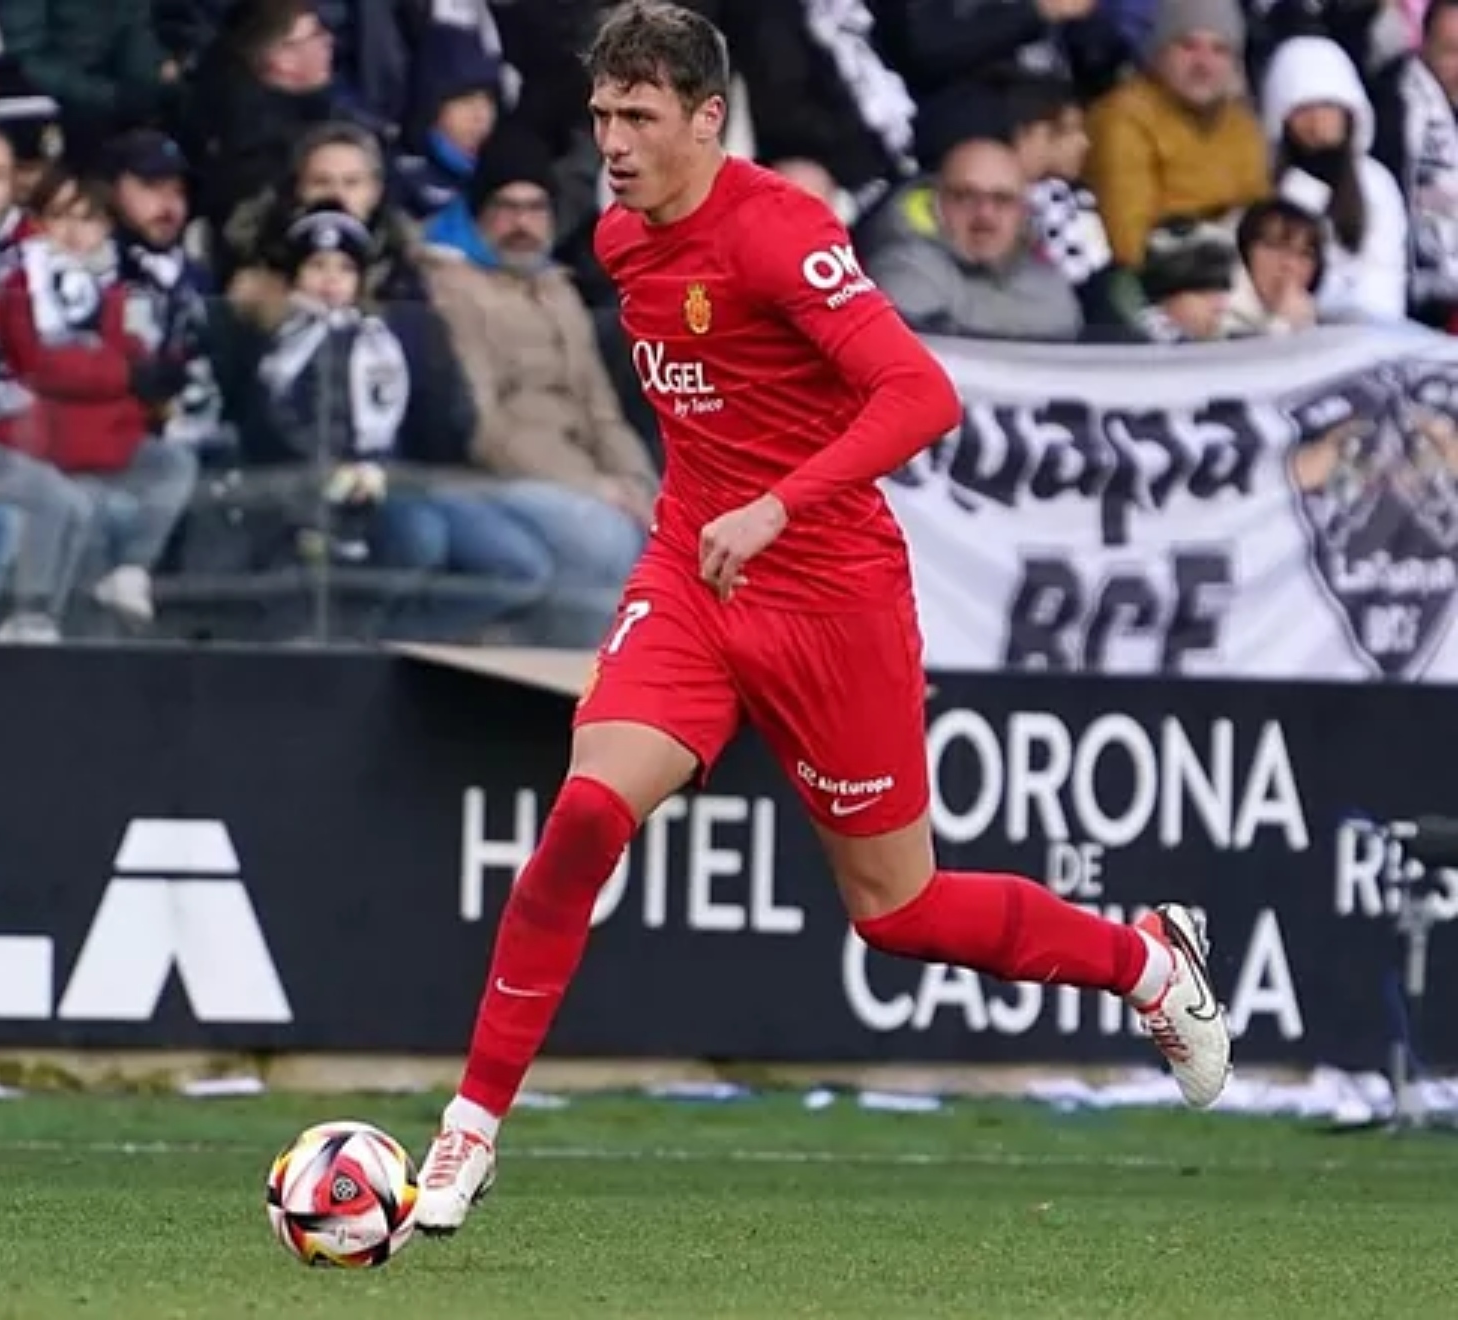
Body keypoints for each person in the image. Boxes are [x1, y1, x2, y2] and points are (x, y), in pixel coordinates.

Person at [410, 0, 1231, 1237]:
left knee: (899, 912)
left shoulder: (781, 234)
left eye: (640, 117)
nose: (616, 143)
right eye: (601, 116)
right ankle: (470, 1132)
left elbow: (923, 392)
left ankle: (1148, 963)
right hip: (693, 575)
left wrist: (782, 508)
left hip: (830, 589)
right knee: (584, 814)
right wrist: (716, 521)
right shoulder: (621, 237)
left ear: (705, 115)